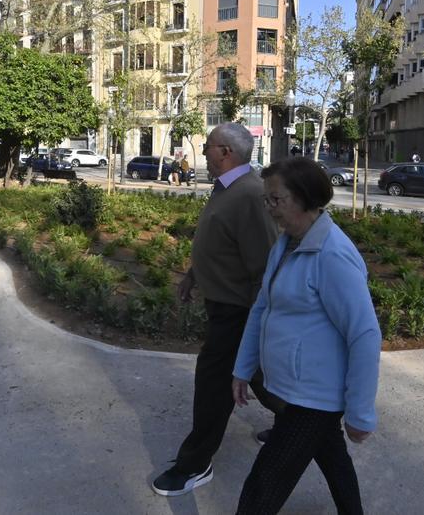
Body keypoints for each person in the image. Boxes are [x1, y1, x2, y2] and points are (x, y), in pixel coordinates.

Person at [232, 157, 381, 514]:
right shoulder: (287, 244)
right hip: (294, 387)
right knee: (332, 457)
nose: (269, 208)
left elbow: (364, 334)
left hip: (314, 397)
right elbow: (262, 308)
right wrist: (243, 367)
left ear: (305, 198)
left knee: (263, 487)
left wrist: (360, 413)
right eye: (266, 200)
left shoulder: (333, 255)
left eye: (276, 200)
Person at [151, 122, 281, 498]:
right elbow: (221, 242)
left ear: (226, 152)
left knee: (212, 385)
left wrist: (258, 323)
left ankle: (195, 464)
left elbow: (264, 264)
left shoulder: (250, 194)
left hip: (238, 311)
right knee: (257, 377)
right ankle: (302, 424)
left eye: (208, 147)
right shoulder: (227, 188)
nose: (203, 152)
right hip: (225, 304)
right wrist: (194, 274)